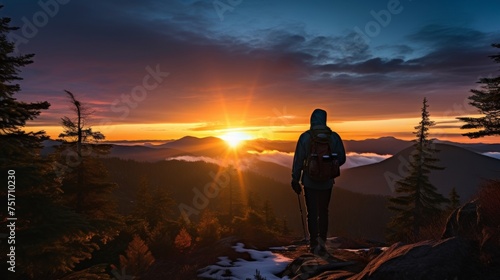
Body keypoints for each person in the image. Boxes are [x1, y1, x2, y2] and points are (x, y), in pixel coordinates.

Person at [291, 108, 346, 254]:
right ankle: (322, 244)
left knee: (312, 212)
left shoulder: (305, 137)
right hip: (327, 182)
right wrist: (329, 168)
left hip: (309, 181)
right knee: (324, 212)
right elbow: (342, 158)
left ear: (312, 120)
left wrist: (295, 179)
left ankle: (313, 244)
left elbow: (298, 160)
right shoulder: (333, 137)